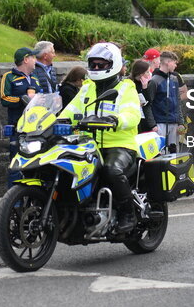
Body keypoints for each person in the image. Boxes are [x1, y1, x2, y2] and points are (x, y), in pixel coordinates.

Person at [60, 43, 143, 233]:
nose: (96, 69)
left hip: (119, 145)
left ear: (113, 65)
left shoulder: (125, 88)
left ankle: (127, 213)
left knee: (111, 170)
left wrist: (116, 120)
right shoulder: (87, 89)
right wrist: (53, 123)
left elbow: (132, 114)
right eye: (93, 65)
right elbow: (69, 111)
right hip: (88, 145)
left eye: (101, 65)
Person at [0, 47, 41, 185]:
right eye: (33, 58)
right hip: (17, 127)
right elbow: (4, 98)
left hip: (35, 128)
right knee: (16, 162)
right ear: (26, 59)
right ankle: (13, 200)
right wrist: (22, 99)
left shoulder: (35, 78)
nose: (36, 60)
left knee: (35, 162)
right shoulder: (9, 77)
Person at [147, 50, 182, 154]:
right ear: (168, 62)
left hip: (174, 122)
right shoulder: (154, 81)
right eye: (174, 62)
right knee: (160, 153)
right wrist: (153, 124)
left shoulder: (174, 79)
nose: (175, 65)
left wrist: (181, 122)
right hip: (160, 123)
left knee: (174, 153)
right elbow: (148, 104)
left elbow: (178, 101)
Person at [130, 59, 157, 133]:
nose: (149, 74)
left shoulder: (148, 83)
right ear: (141, 73)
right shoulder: (129, 83)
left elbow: (148, 102)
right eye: (147, 72)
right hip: (133, 116)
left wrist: (145, 88)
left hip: (145, 118)